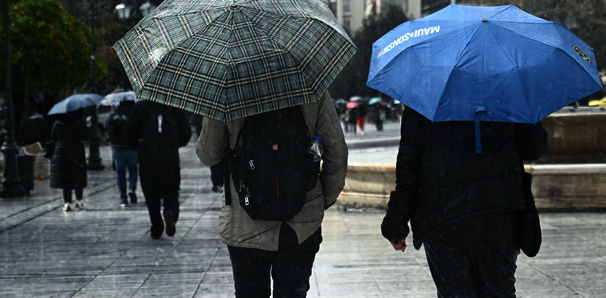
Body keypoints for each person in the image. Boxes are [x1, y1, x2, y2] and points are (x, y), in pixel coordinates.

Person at [381, 106, 548, 297]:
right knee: (499, 291)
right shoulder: (506, 93)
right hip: (498, 211)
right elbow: (533, 149)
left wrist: (395, 224)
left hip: (442, 218)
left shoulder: (424, 99)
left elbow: (408, 171)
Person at [196, 92, 348, 298]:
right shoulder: (311, 87)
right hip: (300, 223)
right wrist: (320, 200)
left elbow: (208, 154)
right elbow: (336, 150)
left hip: (245, 222)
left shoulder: (226, 90)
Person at [125, 100, 192, 239]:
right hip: (169, 158)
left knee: (151, 195)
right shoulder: (174, 106)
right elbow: (186, 133)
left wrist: (139, 145)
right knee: (171, 190)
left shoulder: (141, 107)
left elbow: (130, 134)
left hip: (148, 159)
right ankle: (171, 212)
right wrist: (173, 144)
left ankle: (157, 225)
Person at [49, 110, 88, 211]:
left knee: (65, 178)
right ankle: (78, 201)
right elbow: (86, 136)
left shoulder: (58, 123)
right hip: (77, 150)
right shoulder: (79, 121)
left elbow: (53, 137)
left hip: (62, 151)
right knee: (78, 176)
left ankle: (67, 203)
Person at [107, 100, 138, 207]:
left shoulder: (113, 115)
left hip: (117, 147)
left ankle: (123, 199)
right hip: (131, 147)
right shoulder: (134, 115)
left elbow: (108, 130)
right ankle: (132, 188)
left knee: (120, 172)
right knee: (133, 169)